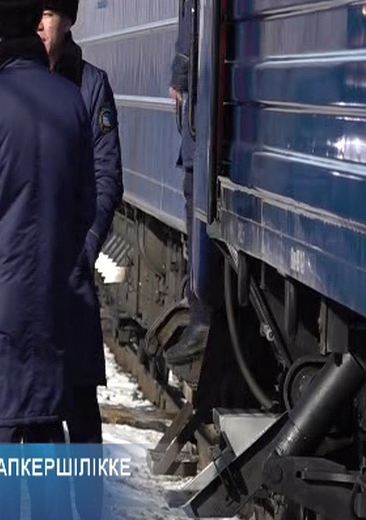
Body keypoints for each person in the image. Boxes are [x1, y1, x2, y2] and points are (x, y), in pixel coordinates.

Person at [0, 0, 96, 520]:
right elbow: (87, 200)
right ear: (35, 29)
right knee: (48, 427)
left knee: (4, 432)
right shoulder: (71, 102)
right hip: (53, 296)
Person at [37, 1, 124, 520]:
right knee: (32, 415)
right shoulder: (9, 81)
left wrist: (86, 248)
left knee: (80, 411)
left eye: (49, 11)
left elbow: (108, 178)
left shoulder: (91, 85)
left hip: (69, 277)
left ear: (67, 19)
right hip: (25, 276)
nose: (40, 22)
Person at [164, 0, 209, 365]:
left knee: (197, 205)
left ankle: (202, 317)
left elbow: (194, 18)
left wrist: (180, 75)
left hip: (204, 110)